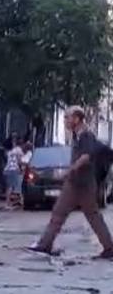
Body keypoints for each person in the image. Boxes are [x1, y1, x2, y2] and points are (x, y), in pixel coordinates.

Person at [30, 106, 113, 258]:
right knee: (61, 213)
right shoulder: (77, 135)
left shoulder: (86, 135)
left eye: (67, 117)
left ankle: (109, 248)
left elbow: (86, 157)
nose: (65, 121)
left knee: (90, 215)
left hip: (83, 183)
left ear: (76, 119)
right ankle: (45, 244)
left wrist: (70, 170)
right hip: (76, 183)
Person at [3, 136, 24, 208]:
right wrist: (21, 168)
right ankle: (7, 204)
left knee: (10, 187)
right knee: (12, 187)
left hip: (7, 170)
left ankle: (12, 202)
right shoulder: (18, 150)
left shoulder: (8, 151)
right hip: (13, 169)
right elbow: (20, 161)